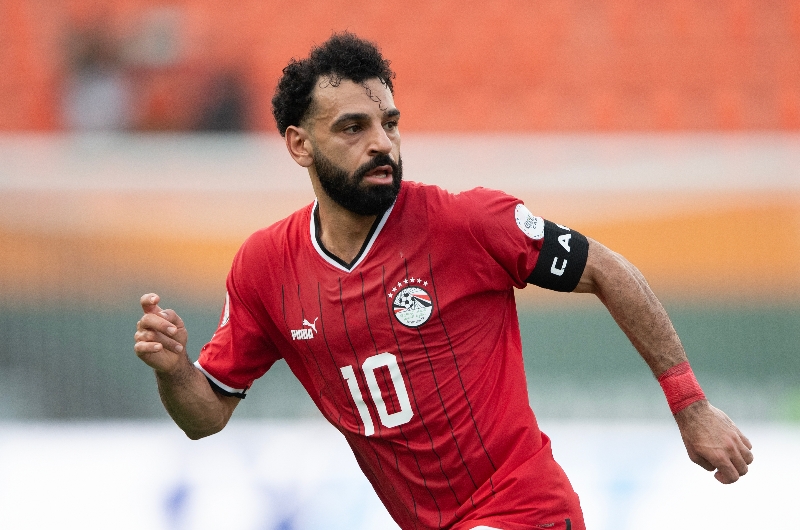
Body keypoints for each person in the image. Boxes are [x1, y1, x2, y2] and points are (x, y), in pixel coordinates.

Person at [134, 32, 753, 530]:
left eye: (390, 123)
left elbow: (607, 271)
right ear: (299, 145)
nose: (382, 144)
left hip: (524, 510)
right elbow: (205, 415)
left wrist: (690, 405)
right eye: (353, 128)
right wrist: (175, 371)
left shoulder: (466, 222)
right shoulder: (265, 267)